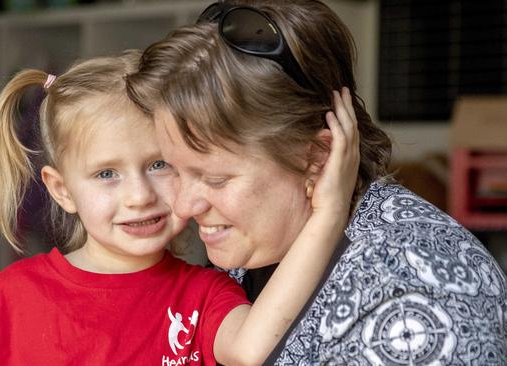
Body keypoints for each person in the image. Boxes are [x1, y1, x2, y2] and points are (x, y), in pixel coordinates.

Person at [125, 0, 507, 364]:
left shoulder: (416, 298)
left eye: (215, 178)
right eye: (174, 168)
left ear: (317, 157)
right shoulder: (257, 246)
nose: (183, 206)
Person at [0, 49, 361, 365]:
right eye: (106, 174)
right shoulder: (8, 297)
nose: (139, 196)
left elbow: (251, 349)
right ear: (62, 191)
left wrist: (328, 212)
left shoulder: (204, 293)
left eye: (158, 165)